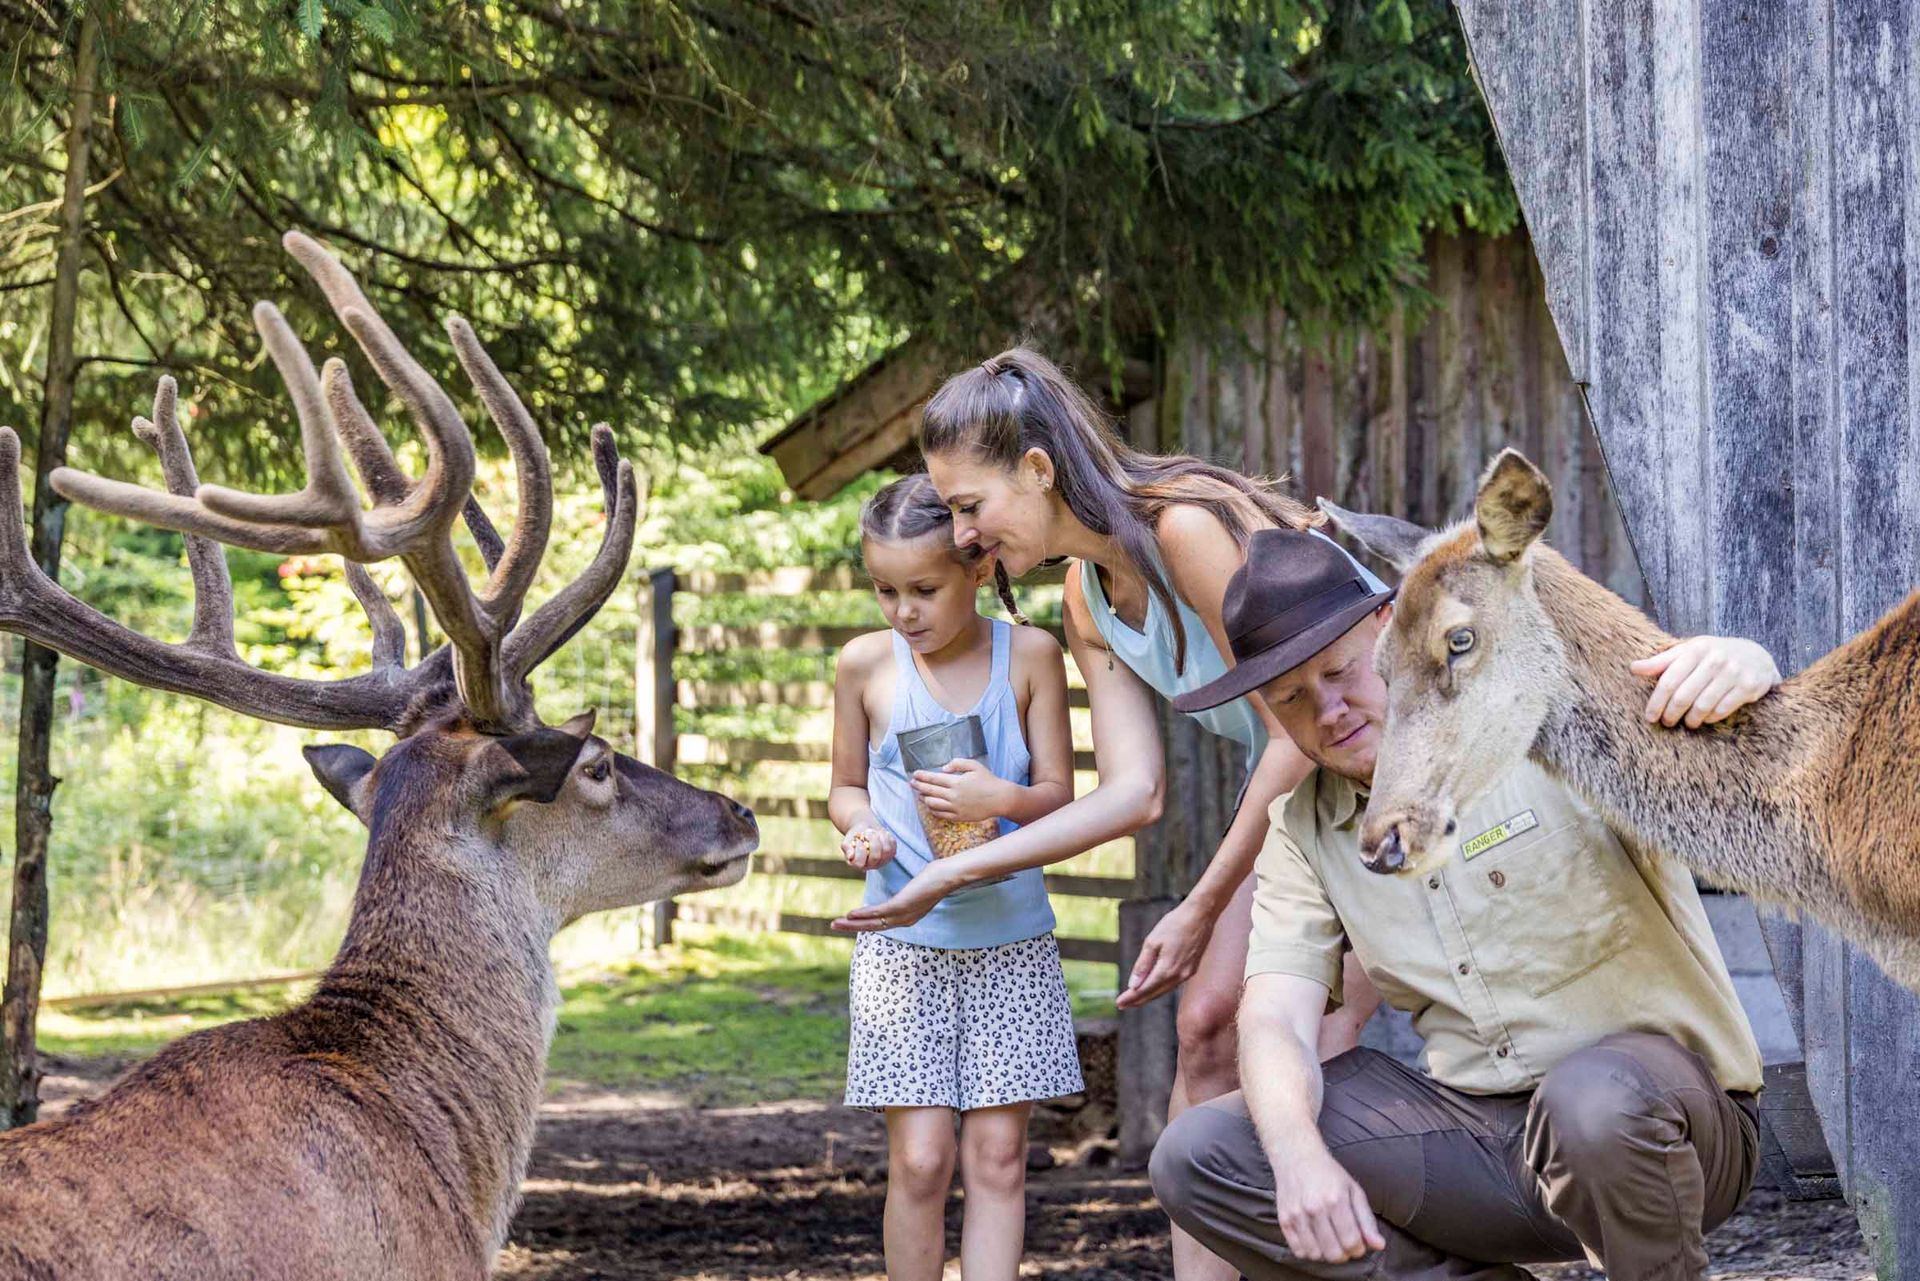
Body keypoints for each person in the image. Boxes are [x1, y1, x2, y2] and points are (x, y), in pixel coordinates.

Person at [833, 346, 1387, 1280]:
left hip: (1383, 770)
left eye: (971, 506)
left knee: (1293, 1034)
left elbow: (1298, 733)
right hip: (1306, 790)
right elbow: (1135, 791)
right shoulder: (1087, 598)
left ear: (1040, 472)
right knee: (1207, 1025)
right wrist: (953, 868)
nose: (962, 537)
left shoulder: (1185, 531)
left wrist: (1201, 903)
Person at [1148, 526, 1779, 1280]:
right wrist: (1297, 1159)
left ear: (1389, 633)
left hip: (1668, 1125)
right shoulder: (1302, 828)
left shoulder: (1545, 713)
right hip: (1484, 1141)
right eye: (1290, 697)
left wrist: (1749, 665)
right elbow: (1275, 1018)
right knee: (1199, 1154)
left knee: (1591, 1100)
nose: (1329, 708)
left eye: (1341, 670)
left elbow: (1754, 765)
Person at [829, 475, 1083, 1281]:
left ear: (975, 570)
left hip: (1012, 946)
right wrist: (861, 827)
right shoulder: (865, 666)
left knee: (1000, 1157)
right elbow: (844, 787)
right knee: (922, 1161)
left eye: (923, 589)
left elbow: (1060, 800)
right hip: (902, 950)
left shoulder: (1033, 655)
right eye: (885, 591)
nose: (903, 611)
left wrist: (999, 799)